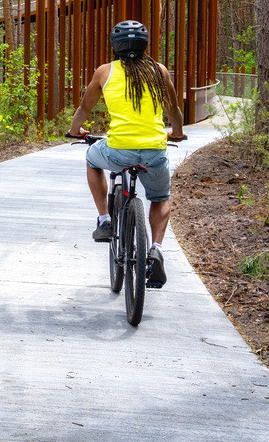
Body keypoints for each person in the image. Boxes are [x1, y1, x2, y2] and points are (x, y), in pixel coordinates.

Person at [68, 20, 186, 287]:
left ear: (115, 45)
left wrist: (76, 130)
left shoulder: (104, 72)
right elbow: (175, 111)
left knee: (91, 159)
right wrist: (176, 133)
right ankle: (155, 249)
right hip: (155, 151)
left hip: (118, 150)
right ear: (144, 45)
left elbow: (85, 108)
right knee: (160, 198)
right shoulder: (159, 71)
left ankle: (105, 219)